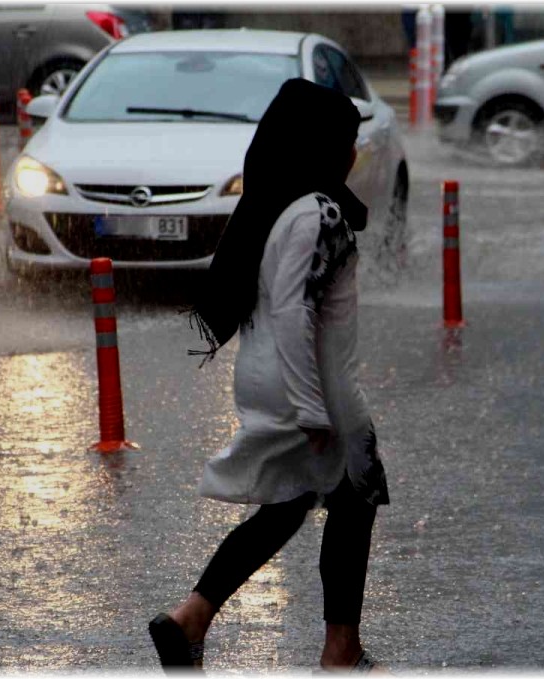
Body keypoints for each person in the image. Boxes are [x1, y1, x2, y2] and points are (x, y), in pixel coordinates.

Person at [149, 78, 390, 673]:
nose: (354, 152)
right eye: (347, 140)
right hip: (316, 385)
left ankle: (191, 618)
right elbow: (293, 309)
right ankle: (341, 650)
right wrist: (311, 410)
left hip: (270, 375)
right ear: (324, 148)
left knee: (288, 503)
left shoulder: (276, 203)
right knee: (356, 498)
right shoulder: (319, 213)